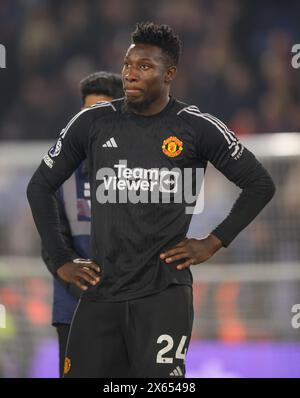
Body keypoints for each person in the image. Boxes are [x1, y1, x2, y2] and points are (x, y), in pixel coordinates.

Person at [27, 22, 275, 378]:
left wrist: (215, 241)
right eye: (128, 65)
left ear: (169, 73)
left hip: (163, 296)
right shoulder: (93, 122)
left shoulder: (195, 127)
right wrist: (61, 259)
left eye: (144, 67)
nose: (130, 74)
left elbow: (259, 183)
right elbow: (39, 185)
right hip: (101, 292)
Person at [41, 71, 123, 377]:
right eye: (87, 114)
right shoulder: (59, 172)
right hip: (73, 310)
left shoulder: (138, 171)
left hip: (125, 308)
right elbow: (51, 244)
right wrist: (79, 282)